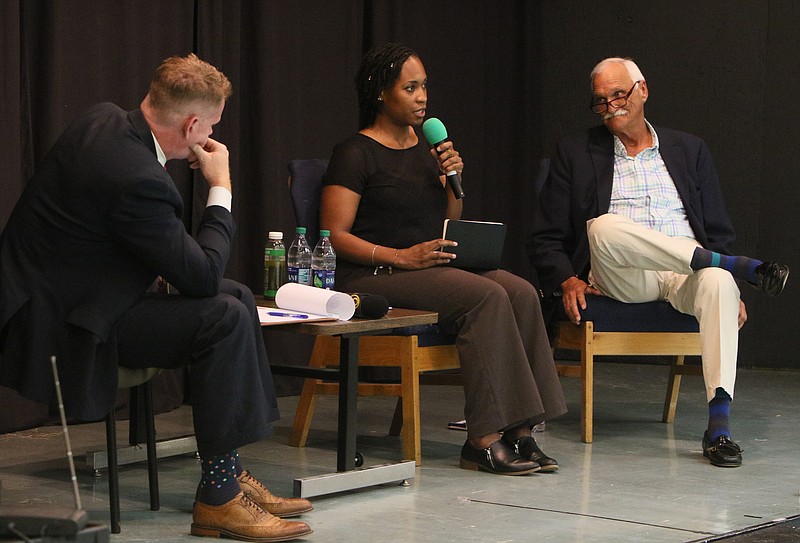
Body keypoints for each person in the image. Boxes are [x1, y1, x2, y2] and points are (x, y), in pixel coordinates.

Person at [0, 53, 313, 540]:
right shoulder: (139, 180)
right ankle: (218, 499)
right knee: (224, 313)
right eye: (211, 125)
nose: (211, 136)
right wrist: (221, 186)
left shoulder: (101, 118)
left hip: (69, 294)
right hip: (68, 326)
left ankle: (228, 471)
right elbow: (203, 276)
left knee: (236, 298)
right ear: (192, 125)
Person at [528, 57, 790, 468]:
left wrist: (729, 288)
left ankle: (718, 428)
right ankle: (738, 265)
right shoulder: (576, 152)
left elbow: (718, 224)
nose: (612, 105)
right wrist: (566, 280)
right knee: (602, 227)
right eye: (601, 101)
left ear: (642, 90)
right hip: (621, 274)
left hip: (685, 273)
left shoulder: (689, 149)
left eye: (619, 94)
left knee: (719, 284)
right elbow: (544, 236)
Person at [320, 43, 567, 476]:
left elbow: (447, 222)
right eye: (410, 87)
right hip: (373, 275)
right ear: (381, 92)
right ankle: (482, 440)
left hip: (425, 267)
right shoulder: (355, 152)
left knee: (522, 292)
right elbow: (335, 236)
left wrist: (454, 182)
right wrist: (400, 256)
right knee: (485, 297)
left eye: (424, 87)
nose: (422, 98)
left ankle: (521, 428)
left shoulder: (429, 150)